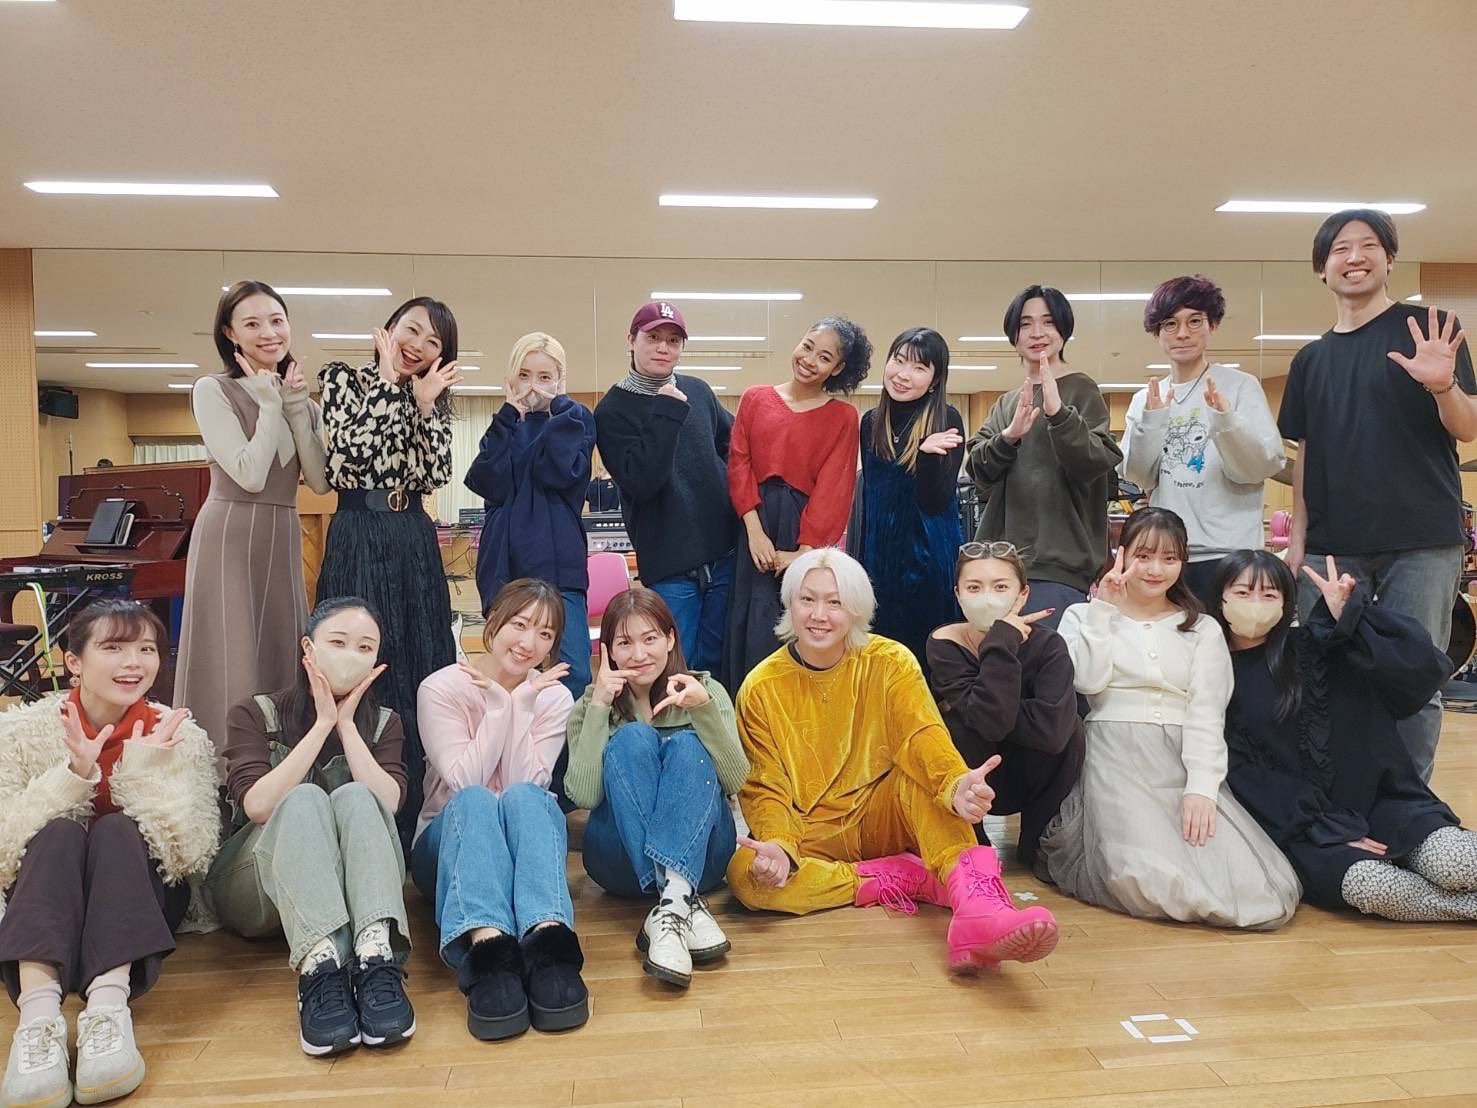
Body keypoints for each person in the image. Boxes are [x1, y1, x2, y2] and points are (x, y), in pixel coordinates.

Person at [727, 547, 1059, 973]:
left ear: (856, 610)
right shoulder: (760, 686)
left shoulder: (890, 661)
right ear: (790, 604)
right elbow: (765, 784)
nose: (819, 615)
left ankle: (982, 911)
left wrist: (956, 783)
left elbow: (921, 736)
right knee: (746, 876)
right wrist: (777, 846)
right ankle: (899, 878)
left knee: (926, 785)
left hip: (882, 815)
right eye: (807, 599)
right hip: (809, 834)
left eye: (835, 602)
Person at [1280, 209, 1477, 783]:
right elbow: (1307, 455)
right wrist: (1299, 538)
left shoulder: (1429, 328)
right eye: (1340, 249)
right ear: (1322, 269)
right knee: (1328, 677)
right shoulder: (1310, 360)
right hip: (1333, 547)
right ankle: (1340, 802)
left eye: (1368, 246)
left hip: (1421, 541)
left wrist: (1442, 385)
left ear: (1389, 259)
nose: (1355, 257)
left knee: (1413, 680)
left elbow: (1466, 427)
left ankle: (1407, 808)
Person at [0, 601, 219, 1108]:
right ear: (73, 661)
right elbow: (5, 844)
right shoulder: (20, 732)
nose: (133, 663)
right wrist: (73, 776)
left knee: (119, 831)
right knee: (59, 833)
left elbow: (190, 852)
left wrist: (140, 768)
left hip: (140, 905)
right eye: (114, 647)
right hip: (46, 907)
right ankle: (38, 1021)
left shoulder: (178, 732)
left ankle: (107, 1010)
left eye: (146, 649)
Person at [1039, 508, 1300, 928]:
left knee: (1259, 892)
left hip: (1181, 756)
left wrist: (1201, 788)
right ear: (1121, 554)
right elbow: (1087, 681)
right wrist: (1103, 610)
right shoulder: (1083, 615)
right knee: (1143, 879)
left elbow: (1207, 711)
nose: (1155, 569)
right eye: (1143, 556)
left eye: (1170, 558)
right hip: (1113, 755)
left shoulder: (1202, 628)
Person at [1212, 550, 1477, 921]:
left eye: (1269, 594)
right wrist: (1323, 825)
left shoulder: (1319, 645)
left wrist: (1351, 617)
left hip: (1383, 804)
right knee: (1376, 887)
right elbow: (1244, 775)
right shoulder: (1210, 673)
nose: (1255, 604)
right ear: (1219, 599)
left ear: (1286, 603)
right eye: (1243, 593)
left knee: (1459, 863)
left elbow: (1420, 670)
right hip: (1305, 830)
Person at [205, 597, 414, 1058]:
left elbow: (388, 804)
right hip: (256, 886)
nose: (350, 656)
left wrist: (348, 727)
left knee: (359, 796)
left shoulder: (385, 724)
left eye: (365, 648)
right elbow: (258, 805)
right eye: (337, 642)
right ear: (308, 648)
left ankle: (374, 956)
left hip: (350, 897)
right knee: (302, 798)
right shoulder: (255, 713)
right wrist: (322, 725)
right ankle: (319, 968)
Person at [412, 579, 588, 1041]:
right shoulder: (441, 687)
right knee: (475, 800)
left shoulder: (553, 696)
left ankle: (549, 949)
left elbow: (522, 789)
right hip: (448, 851)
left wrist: (522, 708)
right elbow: (464, 782)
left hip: (521, 856)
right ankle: (488, 952)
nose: (529, 643)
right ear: (493, 622)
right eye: (520, 625)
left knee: (527, 798)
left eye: (545, 634)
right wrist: (499, 709)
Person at [317, 296, 462, 844]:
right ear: (389, 329)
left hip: (413, 537)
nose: (417, 346)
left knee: (423, 658)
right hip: (358, 530)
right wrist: (383, 383)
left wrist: (423, 410)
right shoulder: (343, 380)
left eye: (433, 342)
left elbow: (436, 473)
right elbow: (347, 457)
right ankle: (354, 807)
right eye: (411, 330)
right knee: (358, 659)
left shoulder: (430, 397)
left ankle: (418, 814)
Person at [175, 280, 330, 761]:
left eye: (277, 321)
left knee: (282, 648)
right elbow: (248, 473)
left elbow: (319, 482)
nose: (268, 333)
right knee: (231, 651)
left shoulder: (302, 400)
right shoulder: (212, 390)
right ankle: (224, 767)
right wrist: (267, 406)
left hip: (282, 531)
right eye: (252, 323)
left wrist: (296, 410)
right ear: (230, 333)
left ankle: (280, 762)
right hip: (230, 531)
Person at [565, 588, 748, 988]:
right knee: (632, 740)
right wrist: (599, 707)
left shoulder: (705, 690)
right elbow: (584, 795)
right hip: (618, 864)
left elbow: (735, 781)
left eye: (649, 638)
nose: (638, 654)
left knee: (687, 745)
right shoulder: (590, 704)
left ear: (670, 639)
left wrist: (702, 711)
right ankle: (682, 902)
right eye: (624, 643)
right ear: (608, 651)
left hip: (706, 860)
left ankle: (670, 906)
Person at [964, 285, 1121, 629]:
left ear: (1064, 330)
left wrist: (1059, 415)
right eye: (1026, 324)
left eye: (1048, 322)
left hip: (1059, 569)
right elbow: (978, 468)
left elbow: (1096, 461)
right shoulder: (1007, 402)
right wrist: (1009, 436)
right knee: (1001, 660)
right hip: (1001, 568)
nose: (1037, 333)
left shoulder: (1082, 389)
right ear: (1014, 335)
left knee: (1048, 660)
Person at [1120, 275, 1284, 604]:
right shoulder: (1146, 398)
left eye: (1195, 321)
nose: (1182, 333)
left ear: (1213, 326)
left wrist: (1225, 420)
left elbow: (1256, 469)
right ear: (1157, 333)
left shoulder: (1240, 387)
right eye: (1170, 324)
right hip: (1169, 556)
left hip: (1231, 554)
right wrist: (1151, 421)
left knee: (1228, 638)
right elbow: (1138, 477)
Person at [723, 316, 868, 687]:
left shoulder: (843, 417)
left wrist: (803, 554)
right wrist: (755, 532)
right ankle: (748, 709)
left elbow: (834, 488)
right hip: (754, 523)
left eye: (824, 357)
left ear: (838, 369)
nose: (809, 360)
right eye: (807, 346)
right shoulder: (755, 398)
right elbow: (739, 465)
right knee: (750, 619)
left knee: (801, 618)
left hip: (803, 529)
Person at [594, 301, 737, 675]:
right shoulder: (611, 411)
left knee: (720, 662)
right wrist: (667, 410)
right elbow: (642, 482)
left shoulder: (698, 391)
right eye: (653, 337)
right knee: (674, 665)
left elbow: (734, 445)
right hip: (669, 565)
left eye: (673, 340)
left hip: (723, 554)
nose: (663, 347)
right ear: (632, 340)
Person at [926, 542, 1084, 871]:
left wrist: (982, 704)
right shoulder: (944, 644)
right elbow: (989, 723)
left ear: (1022, 594)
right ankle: (970, 842)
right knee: (954, 726)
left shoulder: (1049, 645)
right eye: (974, 587)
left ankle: (1038, 844)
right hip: (973, 777)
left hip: (1032, 771)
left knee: (1071, 731)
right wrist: (1002, 641)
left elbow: (1052, 732)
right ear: (958, 595)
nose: (987, 598)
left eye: (1000, 587)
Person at [465, 332, 597, 697]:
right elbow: (488, 482)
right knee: (507, 669)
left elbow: (560, 474)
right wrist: (509, 416)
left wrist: (561, 408)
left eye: (544, 376)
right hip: (504, 562)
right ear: (511, 379)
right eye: (524, 375)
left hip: (559, 563)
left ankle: (564, 737)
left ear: (560, 379)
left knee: (573, 670)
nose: (533, 386)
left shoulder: (577, 419)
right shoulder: (503, 425)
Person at [850, 327, 967, 668]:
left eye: (918, 367)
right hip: (880, 563)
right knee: (881, 662)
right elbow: (870, 500)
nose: (903, 375)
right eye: (898, 361)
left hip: (929, 563)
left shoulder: (946, 419)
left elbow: (936, 502)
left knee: (927, 662)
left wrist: (927, 458)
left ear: (934, 380)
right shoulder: (871, 422)